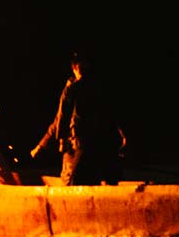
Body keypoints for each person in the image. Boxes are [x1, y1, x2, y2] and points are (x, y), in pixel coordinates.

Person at [31, 52, 126, 185]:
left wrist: (59, 142)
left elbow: (61, 122)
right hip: (80, 145)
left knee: (78, 179)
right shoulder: (82, 89)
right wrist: (41, 146)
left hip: (84, 144)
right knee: (78, 176)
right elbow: (58, 122)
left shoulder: (79, 90)